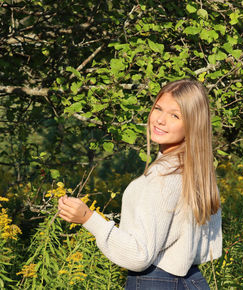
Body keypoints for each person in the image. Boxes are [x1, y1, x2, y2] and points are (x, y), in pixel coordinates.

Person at [58, 79, 222, 289]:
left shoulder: (163, 177)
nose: (160, 120)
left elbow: (138, 256)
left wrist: (88, 218)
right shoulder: (197, 172)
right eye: (158, 108)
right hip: (192, 281)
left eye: (175, 115)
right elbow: (209, 248)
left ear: (193, 124)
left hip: (154, 280)